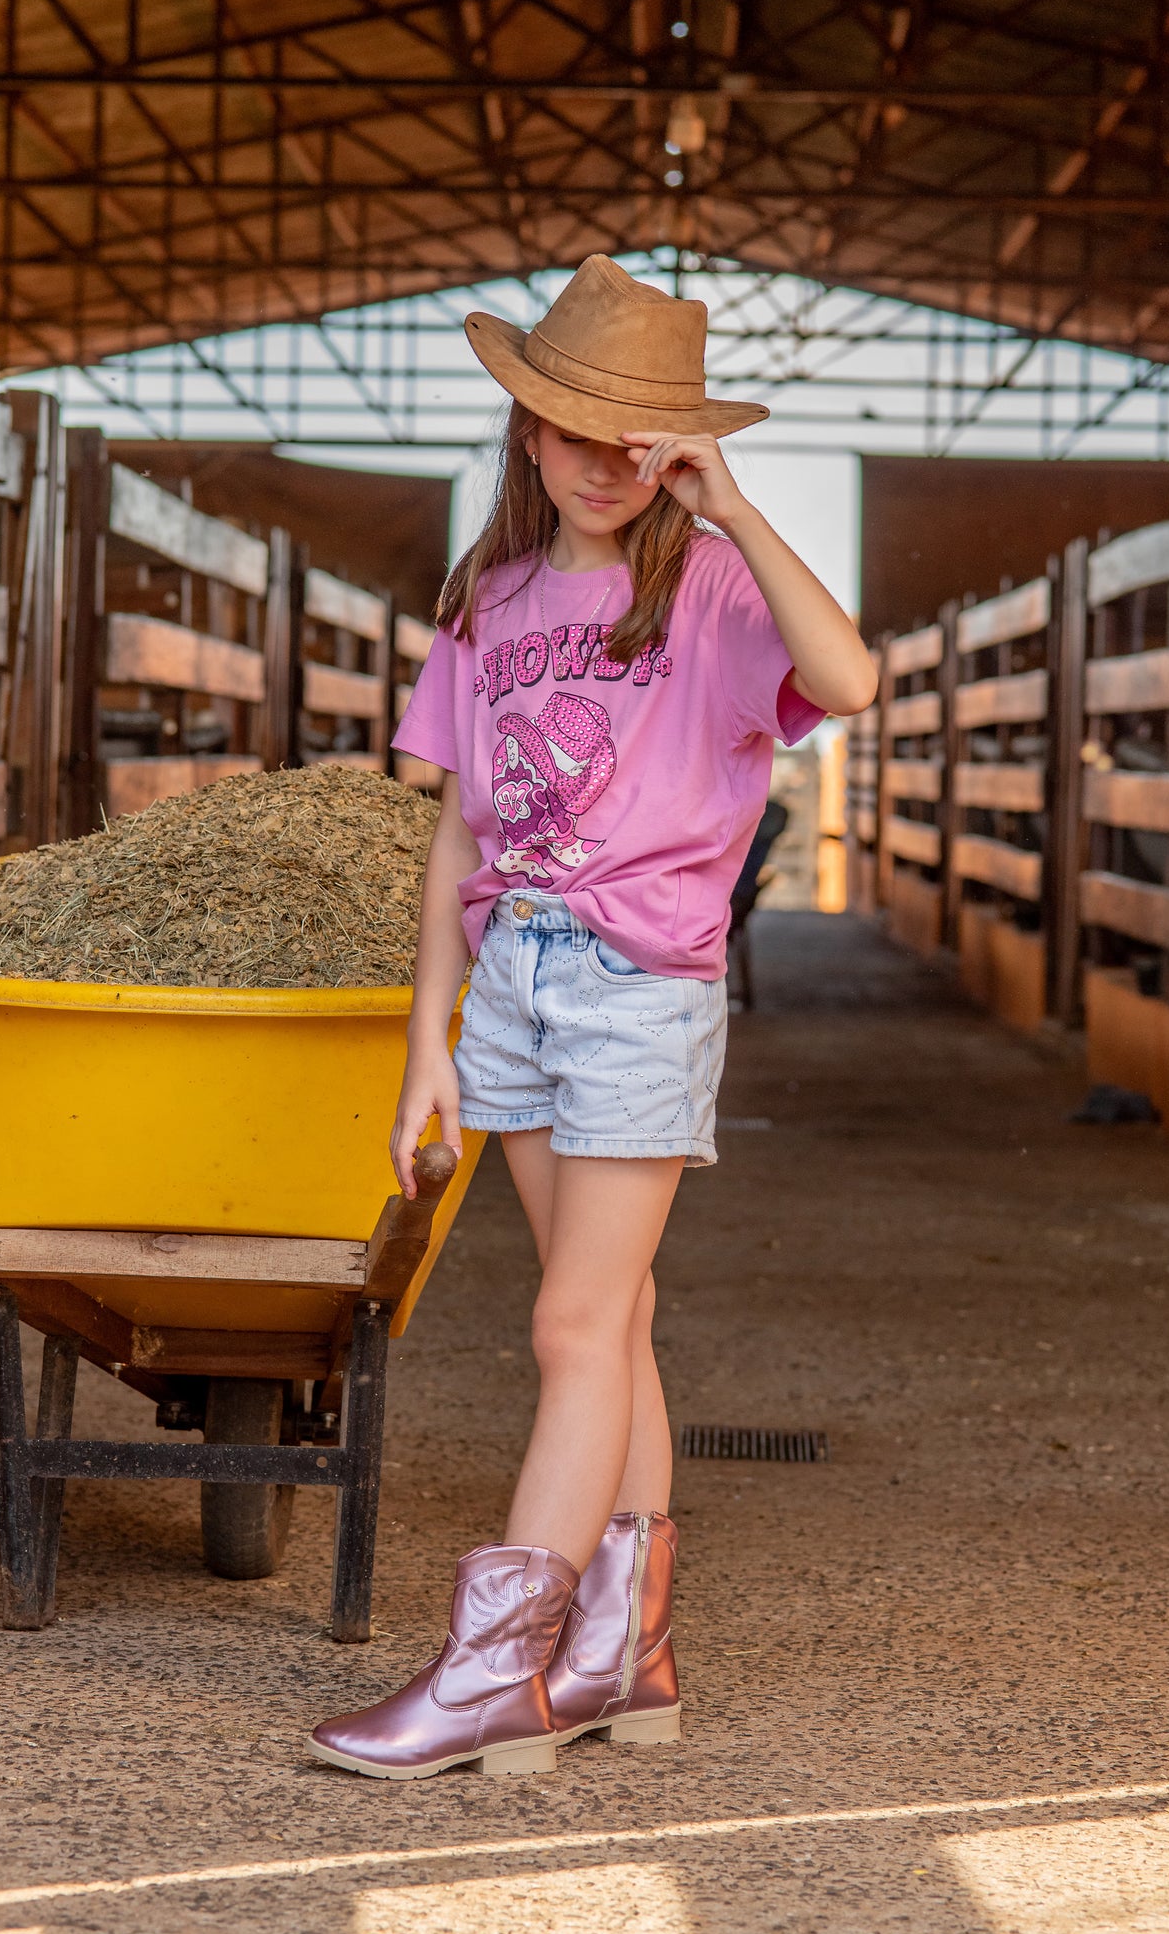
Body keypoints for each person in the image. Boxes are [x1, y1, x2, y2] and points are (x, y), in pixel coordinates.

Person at [308, 255, 877, 1780]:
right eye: (577, 431)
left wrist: (740, 507)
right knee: (606, 1318)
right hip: (515, 983)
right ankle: (627, 1651)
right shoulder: (488, 600)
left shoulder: (714, 588)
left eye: (643, 439)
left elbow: (854, 677)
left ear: (677, 447)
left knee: (568, 1322)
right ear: (528, 432)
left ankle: (499, 1672)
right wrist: (430, 1041)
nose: (608, 464)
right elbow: (453, 837)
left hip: (639, 985)